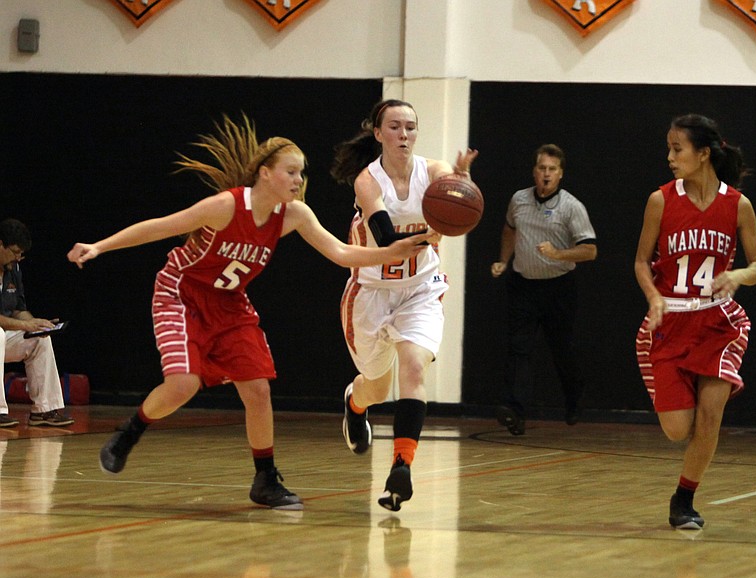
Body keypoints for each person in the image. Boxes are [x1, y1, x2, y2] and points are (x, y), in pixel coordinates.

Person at [67, 114, 435, 510]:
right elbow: (160, 226)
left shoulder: (294, 214)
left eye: (301, 172)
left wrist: (391, 252)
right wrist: (100, 246)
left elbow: (341, 253)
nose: (299, 180)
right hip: (182, 294)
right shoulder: (226, 206)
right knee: (184, 385)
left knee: (258, 388)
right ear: (265, 174)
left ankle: (265, 479)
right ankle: (130, 432)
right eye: (291, 172)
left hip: (229, 302)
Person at [330, 98, 478, 511]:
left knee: (413, 368)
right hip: (371, 293)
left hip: (420, 288)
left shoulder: (433, 173)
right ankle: (355, 404)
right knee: (376, 387)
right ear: (378, 134)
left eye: (411, 128)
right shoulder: (368, 181)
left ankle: (401, 469)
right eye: (394, 127)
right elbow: (385, 238)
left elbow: (458, 199)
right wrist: (423, 234)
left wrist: (462, 183)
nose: (404, 135)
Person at [634, 114, 756, 529]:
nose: (670, 157)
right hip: (670, 323)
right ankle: (685, 480)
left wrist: (738, 275)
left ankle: (684, 499)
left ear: (703, 153)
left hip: (717, 325)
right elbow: (641, 262)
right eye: (670, 149)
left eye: (678, 149)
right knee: (678, 430)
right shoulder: (661, 200)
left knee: (711, 416)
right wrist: (654, 297)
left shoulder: (738, 205)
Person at [490, 144, 597, 435]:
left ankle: (574, 396)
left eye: (552, 169)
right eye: (542, 168)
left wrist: (558, 254)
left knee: (562, 349)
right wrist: (503, 260)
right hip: (523, 285)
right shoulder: (519, 200)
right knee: (519, 349)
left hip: (558, 288)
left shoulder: (571, 207)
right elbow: (509, 229)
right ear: (534, 171)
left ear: (560, 174)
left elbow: (589, 251)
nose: (546, 174)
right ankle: (515, 411)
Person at [0, 218, 75, 428]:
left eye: (21, 254)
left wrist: (35, 323)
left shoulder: (13, 271)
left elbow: (18, 309)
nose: (18, 258)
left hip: (3, 338)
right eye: (14, 251)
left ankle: (44, 410)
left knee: (40, 339)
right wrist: (25, 326)